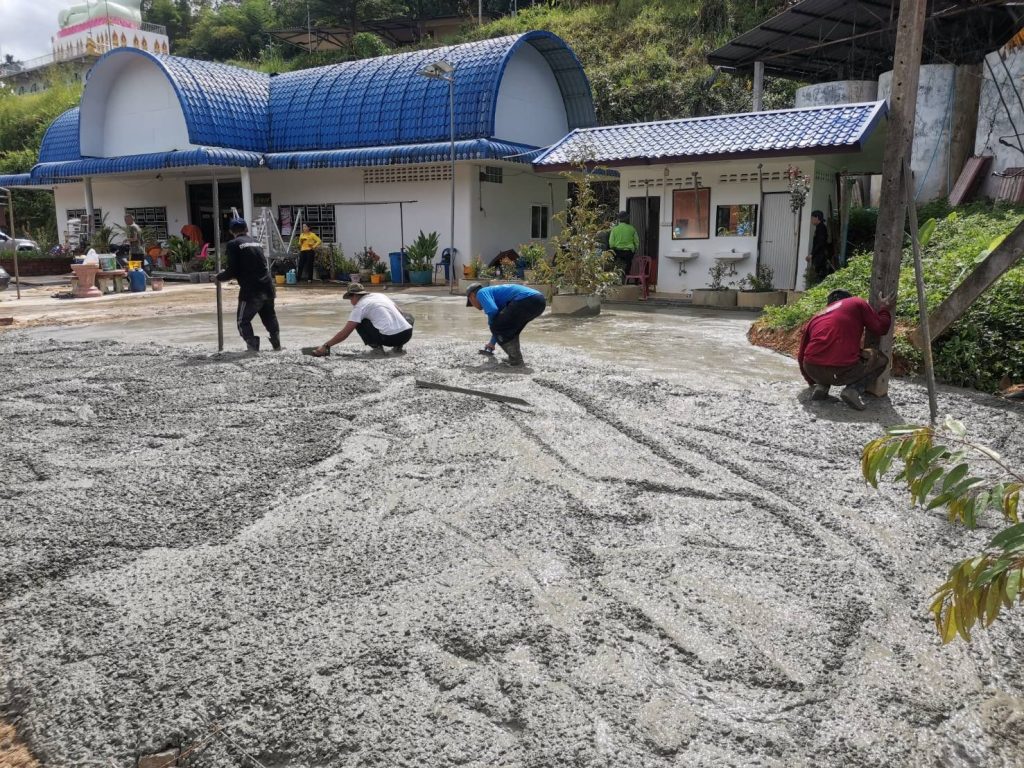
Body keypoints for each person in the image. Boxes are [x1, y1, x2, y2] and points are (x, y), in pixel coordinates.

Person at [798, 289, 895, 410]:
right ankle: (853, 390)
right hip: (842, 369)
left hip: (811, 367)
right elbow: (880, 328)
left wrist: (811, 380)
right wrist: (884, 309)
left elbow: (801, 354)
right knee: (880, 359)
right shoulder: (856, 302)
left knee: (825, 353)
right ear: (848, 298)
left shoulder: (817, 316)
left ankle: (822, 387)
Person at [216, 217, 281, 353]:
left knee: (242, 321)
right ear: (246, 229)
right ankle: (277, 344)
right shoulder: (256, 242)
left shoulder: (233, 244)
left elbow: (232, 270)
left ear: (231, 231)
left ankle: (253, 347)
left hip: (251, 290)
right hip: (268, 286)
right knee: (269, 316)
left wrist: (218, 277)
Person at [312, 282, 413, 356]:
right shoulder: (380, 295)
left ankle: (377, 349)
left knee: (358, 322)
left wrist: (326, 346)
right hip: (407, 335)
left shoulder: (360, 307)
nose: (351, 302)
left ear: (354, 296)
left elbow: (345, 333)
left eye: (350, 299)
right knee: (408, 316)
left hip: (390, 338)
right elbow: (401, 312)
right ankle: (398, 347)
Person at [466, 282, 546, 367]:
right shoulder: (494, 295)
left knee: (497, 325)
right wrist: (492, 343)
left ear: (472, 296)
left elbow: (492, 311)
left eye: (471, 303)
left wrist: (492, 324)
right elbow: (502, 324)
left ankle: (516, 360)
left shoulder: (481, 292)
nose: (473, 306)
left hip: (526, 299)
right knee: (511, 330)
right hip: (539, 301)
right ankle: (515, 358)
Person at [608, 211, 640, 280]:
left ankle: (617, 279)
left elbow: (611, 243)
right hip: (628, 252)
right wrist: (635, 249)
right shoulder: (632, 228)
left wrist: (613, 248)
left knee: (617, 266)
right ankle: (626, 279)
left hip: (617, 252)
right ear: (627, 219)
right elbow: (636, 241)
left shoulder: (614, 229)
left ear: (619, 219)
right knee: (628, 266)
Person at [806, 210, 833, 282]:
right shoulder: (819, 227)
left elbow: (820, 243)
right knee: (817, 275)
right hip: (819, 256)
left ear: (817, 218)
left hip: (820, 257)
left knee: (818, 276)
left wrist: (811, 254)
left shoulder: (821, 228)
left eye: (812, 218)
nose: (811, 220)